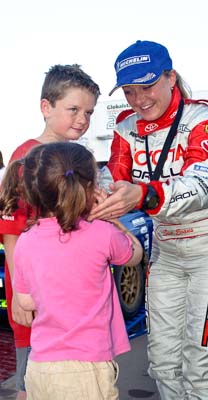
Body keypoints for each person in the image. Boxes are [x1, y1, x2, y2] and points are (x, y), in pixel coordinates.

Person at [90, 40, 208, 399]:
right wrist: (88, 194)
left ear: (170, 77)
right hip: (166, 252)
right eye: (129, 90)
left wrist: (142, 195)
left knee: (202, 366)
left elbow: (202, 183)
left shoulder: (205, 118)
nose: (139, 99)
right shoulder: (126, 127)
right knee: (162, 360)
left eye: (147, 86)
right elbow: (115, 177)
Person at [0, 141, 143, 400]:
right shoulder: (102, 233)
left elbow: (26, 300)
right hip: (87, 368)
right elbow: (135, 256)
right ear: (89, 188)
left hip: (40, 365)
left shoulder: (26, 242)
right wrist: (113, 219)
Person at [0, 64, 100, 400]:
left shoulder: (83, 159)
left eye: (88, 112)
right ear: (47, 107)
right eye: (73, 109)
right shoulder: (26, 156)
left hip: (72, 301)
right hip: (35, 300)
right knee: (35, 381)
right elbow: (12, 232)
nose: (82, 119)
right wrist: (19, 295)